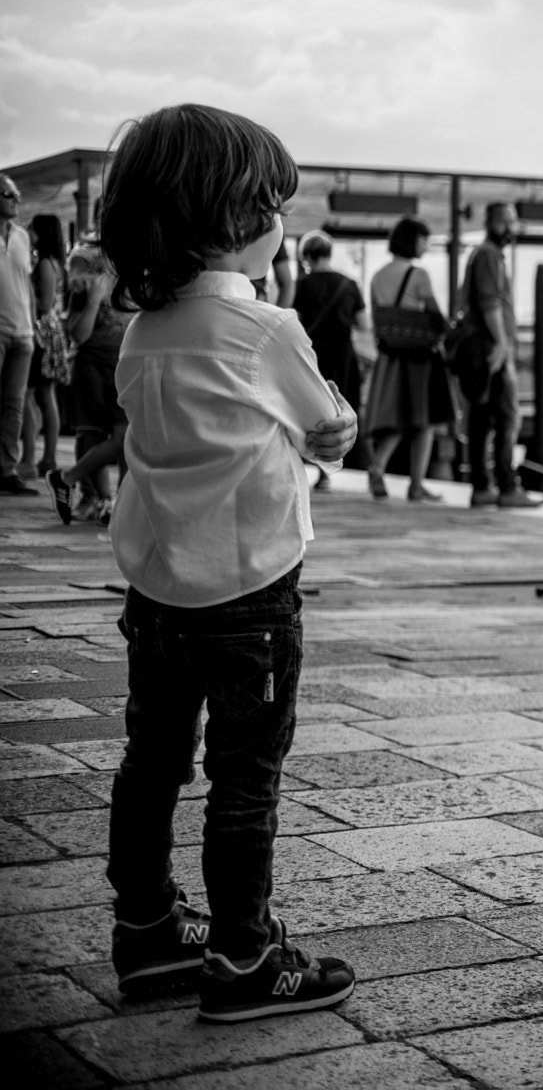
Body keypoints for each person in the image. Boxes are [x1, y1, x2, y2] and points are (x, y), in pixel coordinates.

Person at [94, 102, 359, 1022]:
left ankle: (147, 931)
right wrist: (337, 426)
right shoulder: (267, 330)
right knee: (246, 776)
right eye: (275, 204)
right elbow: (327, 431)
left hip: (156, 592)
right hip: (252, 595)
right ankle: (247, 958)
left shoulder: (144, 332)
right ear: (241, 218)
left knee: (152, 762)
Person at [455, 203, 542, 509]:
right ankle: (507, 486)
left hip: (481, 347)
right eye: (506, 222)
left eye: (513, 222)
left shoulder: (482, 255)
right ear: (491, 223)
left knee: (481, 419)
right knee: (507, 417)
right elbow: (490, 302)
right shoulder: (489, 254)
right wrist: (503, 344)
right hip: (490, 348)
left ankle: (482, 487)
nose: (512, 228)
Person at [364, 216, 453, 502]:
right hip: (420, 358)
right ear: (411, 240)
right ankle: (416, 484)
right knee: (423, 421)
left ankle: (378, 467)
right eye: (423, 239)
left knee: (398, 421)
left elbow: (376, 319)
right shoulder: (419, 275)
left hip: (391, 357)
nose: (426, 245)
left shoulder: (377, 276)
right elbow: (435, 315)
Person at [46, 240, 132, 526]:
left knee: (125, 439)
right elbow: (79, 336)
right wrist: (95, 298)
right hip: (91, 365)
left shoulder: (139, 274)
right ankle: (98, 499)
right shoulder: (86, 269)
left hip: (125, 364)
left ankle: (72, 481)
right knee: (92, 434)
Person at [291, 234, 368, 491]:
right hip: (343, 354)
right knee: (342, 407)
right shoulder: (349, 284)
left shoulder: (300, 285)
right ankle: (340, 468)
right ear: (329, 253)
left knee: (309, 409)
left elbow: (291, 321)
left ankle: (316, 470)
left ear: (306, 257)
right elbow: (363, 324)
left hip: (312, 355)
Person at [26, 213, 68, 481]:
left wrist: (26, 290)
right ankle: (46, 455)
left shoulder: (44, 265)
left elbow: (44, 304)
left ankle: (45, 455)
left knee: (36, 395)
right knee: (45, 395)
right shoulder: (56, 263)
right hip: (52, 329)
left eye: (31, 227)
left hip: (43, 329)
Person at [0, 173, 33, 495]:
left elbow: (29, 286)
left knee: (14, 404)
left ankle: (7, 470)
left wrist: (32, 325)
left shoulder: (23, 237)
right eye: (9, 195)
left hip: (23, 332)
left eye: (17, 194)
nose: (16, 200)